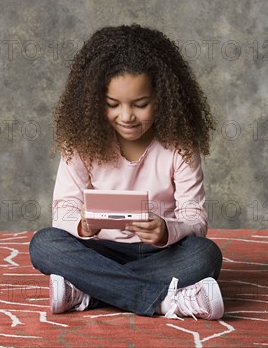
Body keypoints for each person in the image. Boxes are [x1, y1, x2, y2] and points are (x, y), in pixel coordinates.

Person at [29, 24, 224, 320]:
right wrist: (84, 226)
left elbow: (195, 217)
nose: (126, 116)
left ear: (163, 98)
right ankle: (164, 302)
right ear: (95, 102)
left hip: (162, 254)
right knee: (44, 244)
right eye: (112, 104)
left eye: (141, 104)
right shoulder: (81, 142)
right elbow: (63, 210)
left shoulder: (180, 146)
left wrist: (166, 230)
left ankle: (90, 290)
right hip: (97, 250)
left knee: (205, 255)